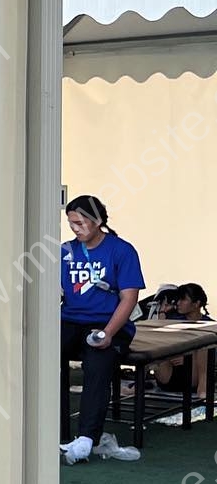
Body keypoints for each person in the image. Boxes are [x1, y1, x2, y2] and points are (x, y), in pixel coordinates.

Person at [60, 193, 145, 464]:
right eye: (71, 223)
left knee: (97, 363)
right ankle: (53, 429)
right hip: (70, 320)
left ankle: (86, 438)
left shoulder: (122, 250)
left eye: (80, 223)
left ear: (97, 221)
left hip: (109, 323)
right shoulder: (65, 251)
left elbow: (129, 298)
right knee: (43, 355)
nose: (75, 229)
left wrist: (108, 333)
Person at [151, 282, 212, 400]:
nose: (178, 303)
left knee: (204, 343)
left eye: (183, 300)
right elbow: (160, 337)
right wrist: (162, 312)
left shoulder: (209, 324)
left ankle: (203, 388)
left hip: (193, 376)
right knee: (155, 344)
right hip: (170, 374)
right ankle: (137, 387)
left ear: (196, 304)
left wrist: (187, 356)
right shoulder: (173, 320)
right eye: (178, 300)